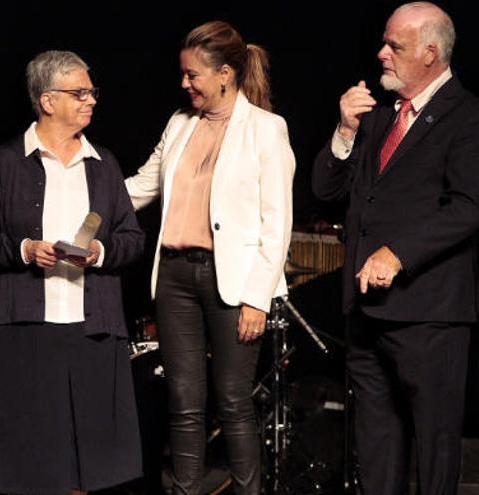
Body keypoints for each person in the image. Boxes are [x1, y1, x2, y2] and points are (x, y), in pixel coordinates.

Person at [312, 3, 479, 494]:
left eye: (395, 46)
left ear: (430, 53)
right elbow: (326, 192)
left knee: (434, 445)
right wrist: (344, 129)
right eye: (384, 43)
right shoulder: (380, 117)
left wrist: (397, 253)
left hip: (429, 313)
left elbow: (468, 206)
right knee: (377, 443)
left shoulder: (467, 116)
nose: (381, 54)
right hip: (367, 312)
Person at [0, 50, 144, 494]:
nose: (91, 101)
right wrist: (24, 250)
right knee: (32, 456)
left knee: (91, 456)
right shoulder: (7, 162)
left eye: (91, 92)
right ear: (47, 101)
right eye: (79, 93)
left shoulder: (104, 164)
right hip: (25, 327)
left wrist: (99, 252)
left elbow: (132, 238)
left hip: (91, 329)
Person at [125, 21, 295, 494]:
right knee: (182, 400)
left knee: (235, 400)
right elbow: (143, 184)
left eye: (192, 75)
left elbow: (276, 222)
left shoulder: (266, 129)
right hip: (176, 277)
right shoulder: (179, 124)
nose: (184, 84)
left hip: (234, 282)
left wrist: (257, 299)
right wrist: (86, 200)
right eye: (182, 74)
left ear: (224, 73)